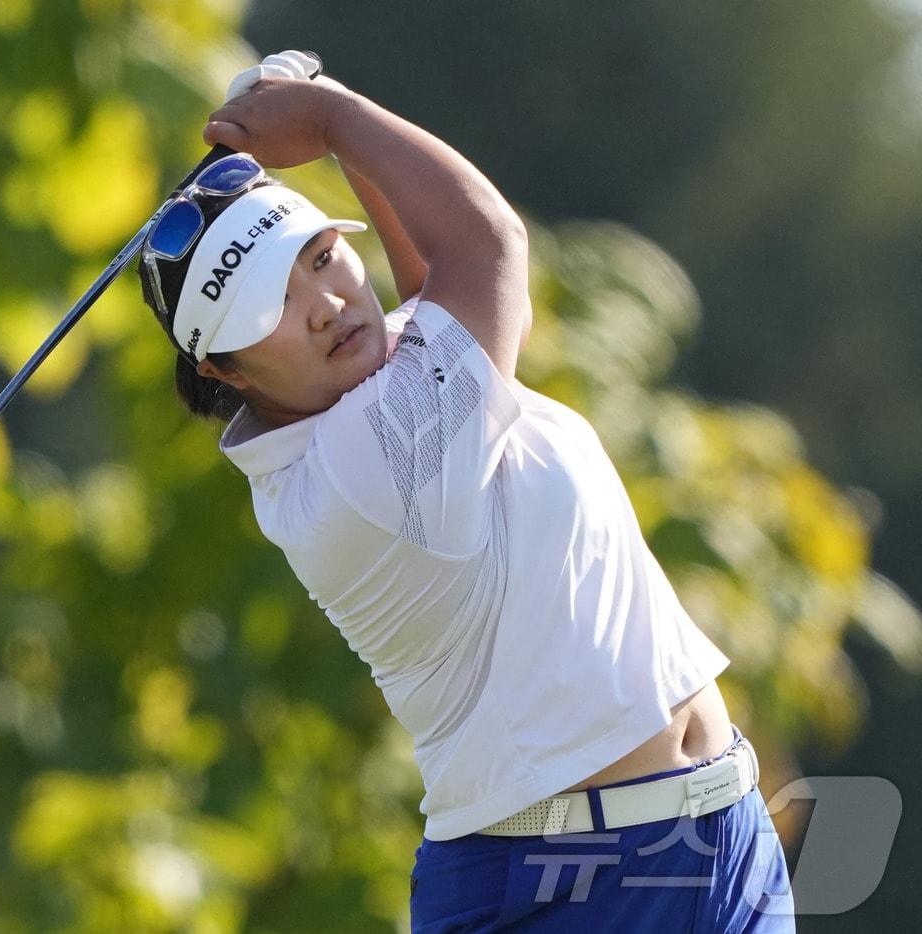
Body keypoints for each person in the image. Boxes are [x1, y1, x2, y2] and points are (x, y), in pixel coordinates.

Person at [137, 51, 795, 932]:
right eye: (272, 308)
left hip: (723, 836)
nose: (327, 303)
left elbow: (428, 287)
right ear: (224, 368)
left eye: (324, 256)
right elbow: (487, 246)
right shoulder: (351, 477)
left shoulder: (371, 397)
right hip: (567, 888)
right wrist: (333, 120)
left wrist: (337, 130)